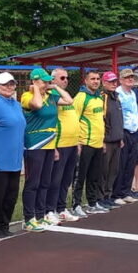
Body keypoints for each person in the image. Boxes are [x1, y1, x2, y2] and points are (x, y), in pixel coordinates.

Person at [21, 68, 70, 231]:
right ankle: (29, 218)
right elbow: (37, 104)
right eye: (44, 81)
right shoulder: (27, 96)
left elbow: (69, 100)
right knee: (33, 182)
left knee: (45, 182)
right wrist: (36, 90)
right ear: (35, 81)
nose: (47, 84)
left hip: (49, 144)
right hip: (35, 145)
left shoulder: (51, 96)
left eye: (49, 81)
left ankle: (41, 216)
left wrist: (55, 87)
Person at [0, 73, 26, 239]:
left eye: (11, 84)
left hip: (15, 159)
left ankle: (4, 225)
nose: (8, 87)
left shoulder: (16, 104)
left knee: (11, 196)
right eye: (4, 85)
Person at [45, 68, 80, 223]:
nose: (65, 80)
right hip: (60, 143)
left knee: (67, 179)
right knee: (56, 179)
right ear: (53, 80)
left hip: (72, 143)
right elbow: (68, 102)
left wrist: (77, 141)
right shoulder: (52, 96)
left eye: (67, 78)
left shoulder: (66, 95)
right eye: (62, 78)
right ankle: (49, 209)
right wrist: (54, 87)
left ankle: (61, 208)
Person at [71, 71, 107, 215]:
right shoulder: (81, 98)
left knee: (94, 176)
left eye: (98, 79)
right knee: (80, 176)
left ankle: (92, 203)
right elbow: (74, 119)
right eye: (92, 79)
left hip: (97, 143)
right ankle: (76, 205)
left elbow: (100, 120)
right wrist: (78, 142)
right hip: (85, 142)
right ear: (86, 81)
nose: (96, 81)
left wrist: (102, 141)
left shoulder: (99, 97)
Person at [112, 69, 138, 205]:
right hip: (123, 132)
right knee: (120, 164)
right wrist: (119, 135)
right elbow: (117, 116)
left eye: (131, 77)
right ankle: (116, 193)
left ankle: (126, 191)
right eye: (127, 78)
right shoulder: (118, 94)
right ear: (121, 80)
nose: (130, 80)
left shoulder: (133, 93)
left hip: (134, 132)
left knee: (130, 163)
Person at [99, 71, 124, 208]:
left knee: (113, 170)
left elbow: (119, 118)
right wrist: (102, 140)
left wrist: (120, 136)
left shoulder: (117, 97)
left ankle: (108, 195)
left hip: (116, 139)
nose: (114, 84)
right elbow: (101, 119)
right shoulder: (103, 98)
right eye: (111, 81)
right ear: (104, 83)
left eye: (115, 81)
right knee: (104, 170)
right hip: (106, 140)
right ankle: (100, 197)